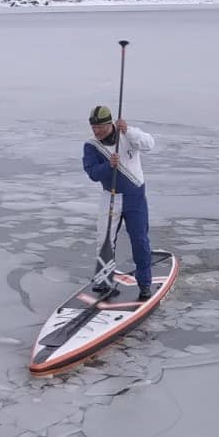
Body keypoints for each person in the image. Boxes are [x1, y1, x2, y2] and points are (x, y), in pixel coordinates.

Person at [81, 104, 156, 300]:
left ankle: (145, 284)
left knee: (139, 240)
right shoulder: (91, 145)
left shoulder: (128, 134)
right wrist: (108, 166)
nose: (96, 131)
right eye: (93, 127)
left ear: (110, 124)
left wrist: (129, 131)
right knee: (104, 240)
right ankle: (103, 283)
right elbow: (92, 173)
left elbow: (150, 144)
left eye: (100, 127)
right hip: (110, 197)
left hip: (135, 197)